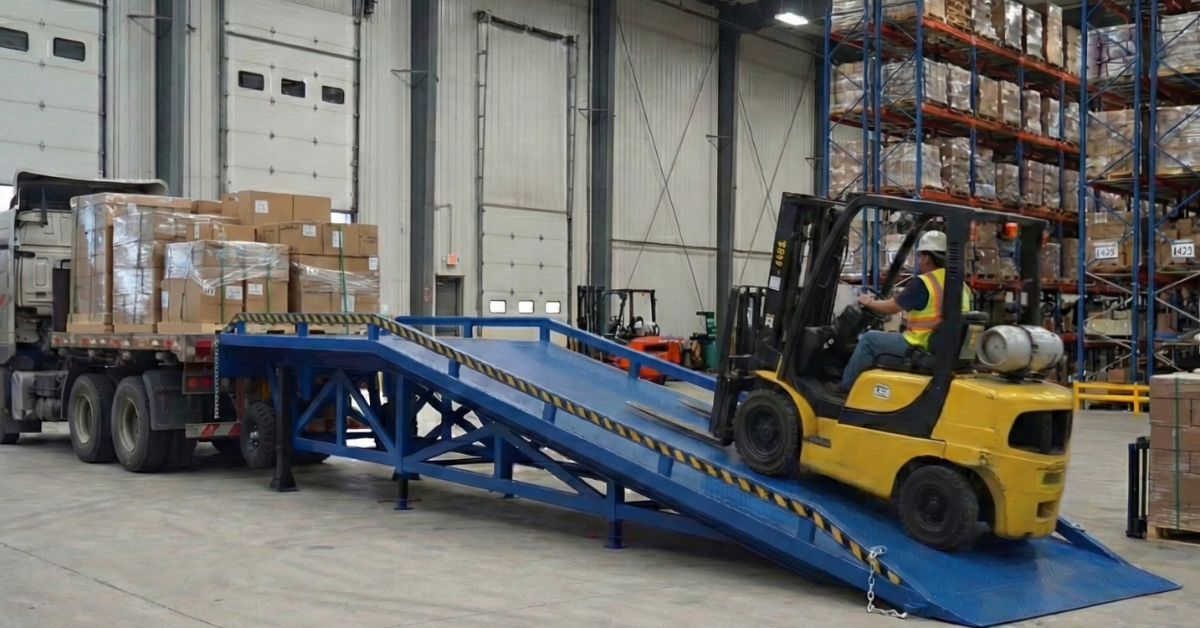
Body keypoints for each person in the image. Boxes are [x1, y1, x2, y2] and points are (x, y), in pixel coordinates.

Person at [836, 231, 970, 393]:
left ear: (928, 258)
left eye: (920, 256)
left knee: (868, 339)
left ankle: (846, 388)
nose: (919, 261)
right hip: (944, 348)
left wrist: (868, 302)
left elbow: (891, 308)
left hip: (920, 343)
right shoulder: (961, 285)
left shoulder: (924, 282)